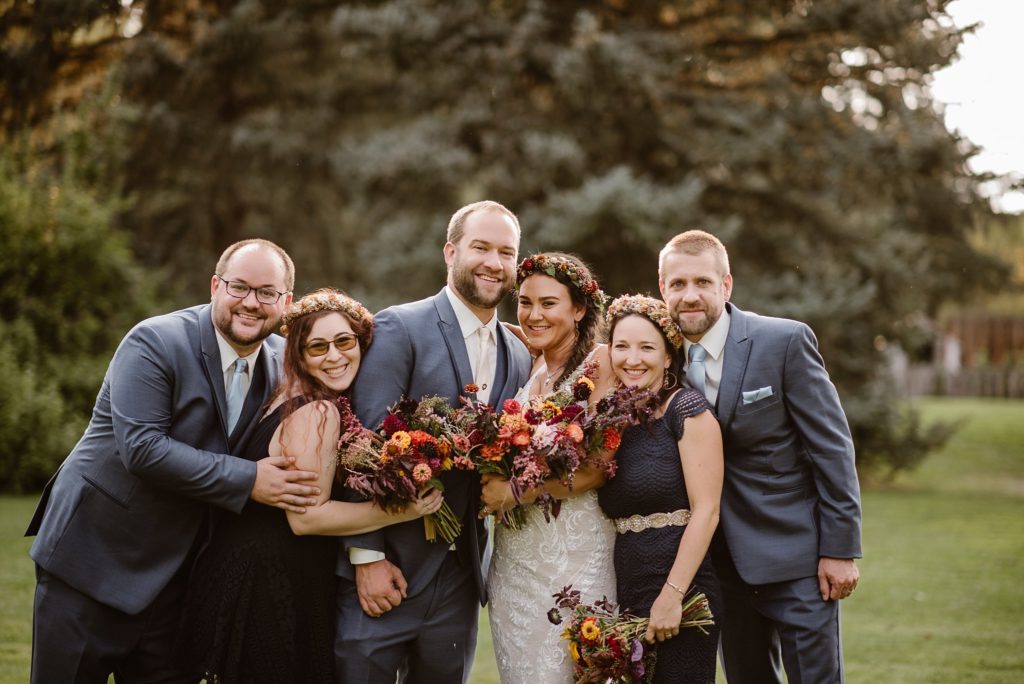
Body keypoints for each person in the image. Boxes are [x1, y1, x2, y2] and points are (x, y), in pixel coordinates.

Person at [25, 239, 322, 684]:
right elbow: (142, 448)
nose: (251, 303)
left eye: (266, 293)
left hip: (181, 584)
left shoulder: (286, 363)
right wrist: (250, 479)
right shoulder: (155, 341)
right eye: (239, 287)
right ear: (214, 286)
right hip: (94, 561)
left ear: (287, 302)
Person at [178, 289, 444, 683]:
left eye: (344, 342)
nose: (334, 356)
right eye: (318, 347)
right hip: (271, 581)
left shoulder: (286, 394)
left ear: (361, 342)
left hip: (253, 567)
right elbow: (306, 517)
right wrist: (403, 510)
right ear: (299, 355)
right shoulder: (318, 411)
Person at [336, 200, 533, 683]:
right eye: (480, 248)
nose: (493, 262)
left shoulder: (519, 353)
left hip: (459, 582)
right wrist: (368, 558)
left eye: (506, 253)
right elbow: (359, 445)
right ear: (450, 252)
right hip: (387, 572)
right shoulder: (400, 327)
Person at [658, 229, 862, 683]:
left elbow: (832, 448)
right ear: (663, 289)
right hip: (719, 571)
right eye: (678, 284)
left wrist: (840, 549)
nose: (690, 296)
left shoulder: (783, 342)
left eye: (703, 283)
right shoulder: (659, 357)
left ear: (726, 285)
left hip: (799, 562)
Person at [481, 252, 617, 684]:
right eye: (525, 302)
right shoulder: (528, 363)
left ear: (579, 309)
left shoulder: (602, 363)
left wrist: (512, 492)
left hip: (574, 554)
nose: (533, 314)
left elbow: (597, 469)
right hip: (515, 560)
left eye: (548, 303)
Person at [597, 294, 723, 684]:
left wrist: (672, 596)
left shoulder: (687, 411)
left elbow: (707, 511)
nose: (632, 358)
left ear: (669, 356)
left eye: (646, 347)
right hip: (629, 586)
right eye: (622, 346)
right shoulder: (613, 420)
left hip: (683, 589)